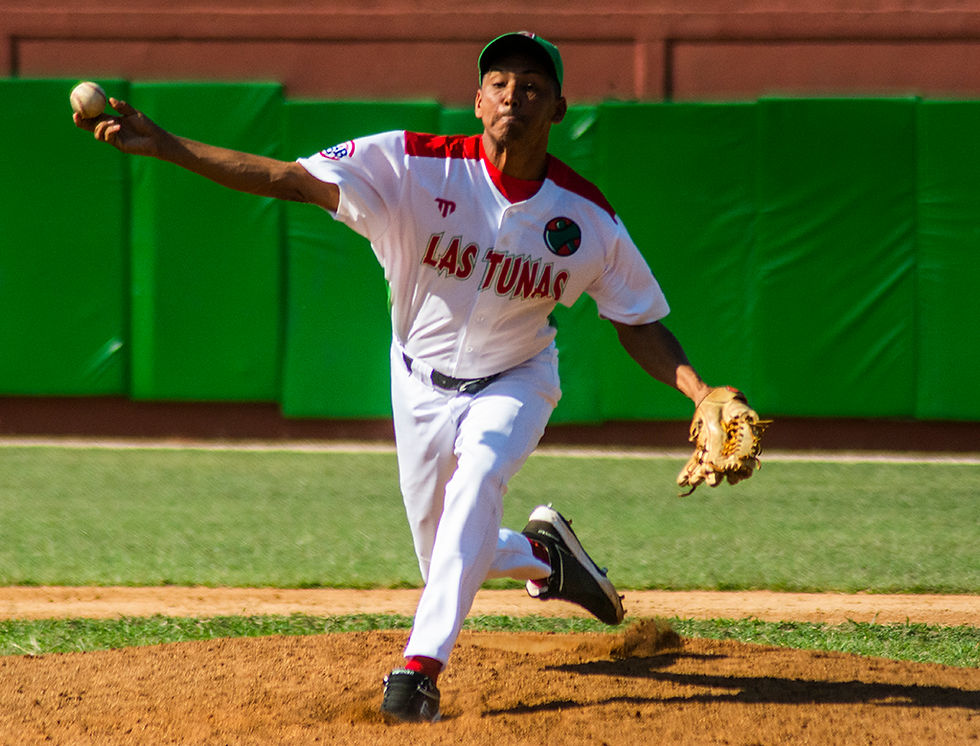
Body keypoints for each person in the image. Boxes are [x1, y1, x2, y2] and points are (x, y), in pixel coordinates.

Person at [74, 31, 715, 722]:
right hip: (417, 380)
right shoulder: (412, 165)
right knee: (446, 555)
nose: (513, 97)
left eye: (532, 86)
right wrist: (168, 145)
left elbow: (638, 317)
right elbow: (288, 178)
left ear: (557, 109)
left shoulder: (585, 217)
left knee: (479, 480)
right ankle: (543, 555)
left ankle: (419, 672)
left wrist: (701, 392)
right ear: (476, 101)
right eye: (499, 83)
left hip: (516, 378)